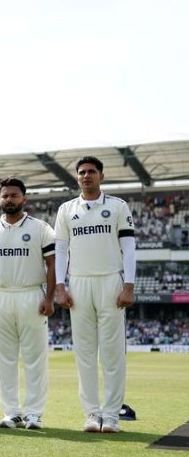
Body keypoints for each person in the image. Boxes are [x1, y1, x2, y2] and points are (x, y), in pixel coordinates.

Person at [54, 156, 135, 433]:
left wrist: (129, 285)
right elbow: (61, 250)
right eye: (82, 172)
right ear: (77, 177)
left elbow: (129, 248)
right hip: (79, 283)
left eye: (91, 171)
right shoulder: (66, 209)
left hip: (110, 281)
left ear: (101, 175)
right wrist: (60, 286)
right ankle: (92, 413)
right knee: (85, 353)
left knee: (112, 353)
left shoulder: (118, 206)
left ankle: (111, 415)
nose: (86, 176)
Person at [0, 178, 55, 429]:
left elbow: (53, 263)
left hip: (31, 294)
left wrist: (49, 297)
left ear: (24, 198)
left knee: (35, 358)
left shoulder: (41, 228)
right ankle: (12, 412)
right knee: (5, 359)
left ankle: (34, 413)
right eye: (5, 196)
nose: (9, 199)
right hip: (0, 296)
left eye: (14, 195)